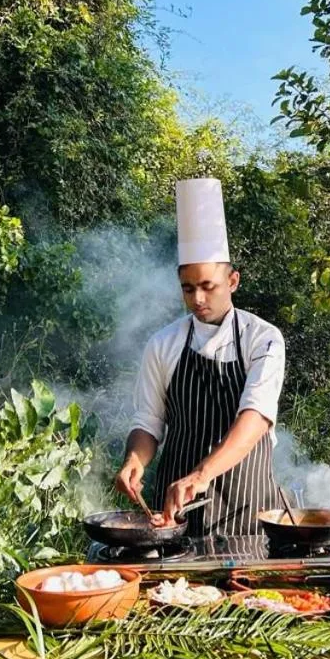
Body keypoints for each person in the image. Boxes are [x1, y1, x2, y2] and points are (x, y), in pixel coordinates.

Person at [114, 178, 285, 537]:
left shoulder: (263, 339)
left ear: (233, 281)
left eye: (209, 286)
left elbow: (254, 418)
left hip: (246, 510)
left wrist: (202, 474)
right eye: (188, 289)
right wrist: (135, 459)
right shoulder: (164, 343)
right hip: (171, 516)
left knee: (250, 595)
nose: (198, 299)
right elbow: (148, 421)